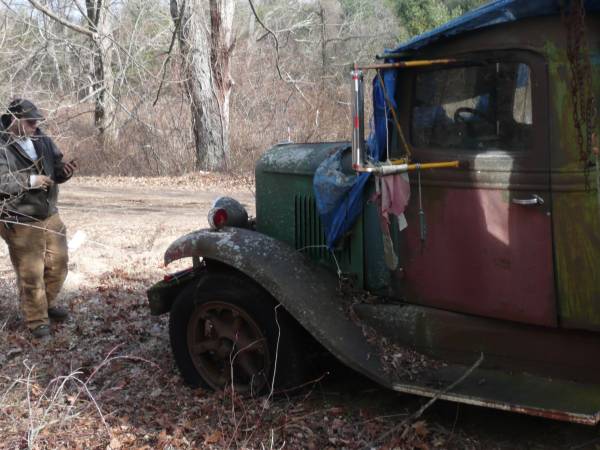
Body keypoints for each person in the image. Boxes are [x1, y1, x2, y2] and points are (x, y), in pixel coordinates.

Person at [0, 99, 77, 338]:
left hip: (48, 212)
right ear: (14, 120)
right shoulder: (2, 144)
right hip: (19, 216)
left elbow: (55, 166)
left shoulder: (41, 139)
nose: (35, 125)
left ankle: (46, 304)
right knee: (31, 273)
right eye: (30, 122)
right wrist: (31, 181)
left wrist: (64, 172)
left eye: (36, 121)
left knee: (59, 265)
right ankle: (37, 323)